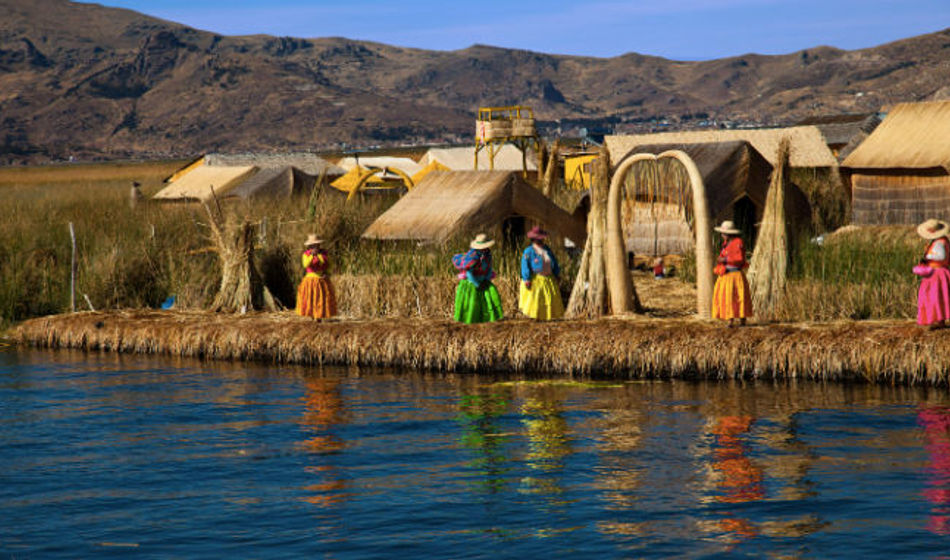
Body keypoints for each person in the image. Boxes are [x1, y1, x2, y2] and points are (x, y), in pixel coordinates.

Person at [452, 233, 504, 324]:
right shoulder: (473, 256)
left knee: (488, 300)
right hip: (472, 282)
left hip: (483, 280)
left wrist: (486, 280)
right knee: (472, 303)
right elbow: (469, 273)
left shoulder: (487, 254)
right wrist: (477, 284)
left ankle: (488, 318)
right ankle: (470, 320)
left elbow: (489, 268)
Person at [712, 220, 752, 327]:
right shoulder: (726, 244)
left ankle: (742, 320)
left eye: (723, 233)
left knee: (738, 297)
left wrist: (724, 260)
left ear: (729, 234)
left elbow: (739, 258)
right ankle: (730, 320)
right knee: (727, 297)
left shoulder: (738, 242)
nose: (722, 235)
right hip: (726, 274)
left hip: (735, 275)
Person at [519, 226, 564, 320]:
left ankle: (548, 317)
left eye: (541, 239)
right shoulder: (529, 251)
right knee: (536, 300)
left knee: (549, 299)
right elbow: (524, 265)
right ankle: (535, 317)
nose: (540, 241)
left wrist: (556, 273)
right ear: (533, 239)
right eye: (537, 239)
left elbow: (554, 262)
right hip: (536, 279)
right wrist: (526, 278)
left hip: (548, 278)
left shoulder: (547, 249)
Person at [915, 218, 950, 329]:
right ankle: (940, 321)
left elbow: (941, 256)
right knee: (940, 296)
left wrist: (927, 257)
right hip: (941, 272)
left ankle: (938, 320)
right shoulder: (944, 241)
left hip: (936, 274)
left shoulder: (939, 243)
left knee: (933, 296)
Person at [295, 234, 337, 319]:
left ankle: (320, 316)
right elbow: (305, 264)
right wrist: (312, 255)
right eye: (312, 246)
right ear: (309, 246)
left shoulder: (324, 254)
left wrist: (327, 273)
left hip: (322, 279)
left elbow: (331, 265)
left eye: (316, 245)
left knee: (321, 299)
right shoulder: (306, 255)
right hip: (310, 280)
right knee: (311, 299)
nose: (315, 247)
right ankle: (312, 316)